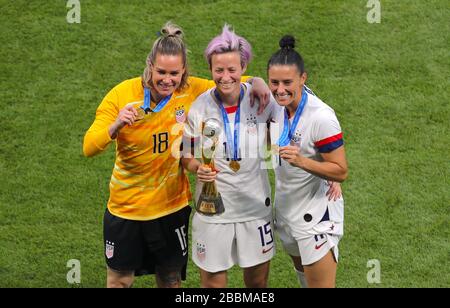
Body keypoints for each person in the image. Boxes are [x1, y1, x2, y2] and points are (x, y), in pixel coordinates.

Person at [83, 21, 270, 288]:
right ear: (149, 65)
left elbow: (227, 79)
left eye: (174, 73)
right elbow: (89, 147)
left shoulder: (190, 90)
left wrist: (258, 81)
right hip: (126, 208)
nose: (167, 80)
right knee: (119, 281)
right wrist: (115, 126)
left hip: (172, 207)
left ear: (183, 72)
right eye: (161, 71)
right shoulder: (121, 95)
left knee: (170, 280)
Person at [181, 25, 278, 288]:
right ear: (211, 70)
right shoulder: (200, 106)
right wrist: (196, 167)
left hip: (255, 208)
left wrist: (257, 81)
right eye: (219, 70)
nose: (225, 77)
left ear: (243, 68)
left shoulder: (262, 101)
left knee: (257, 286)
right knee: (213, 285)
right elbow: (186, 156)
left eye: (232, 70)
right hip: (213, 210)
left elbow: (295, 121)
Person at [268, 35, 348, 288]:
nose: (280, 89)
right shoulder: (272, 104)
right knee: (304, 282)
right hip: (287, 210)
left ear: (303, 78)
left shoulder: (321, 117)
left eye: (287, 82)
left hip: (316, 217)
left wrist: (304, 162)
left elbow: (340, 170)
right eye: (274, 82)